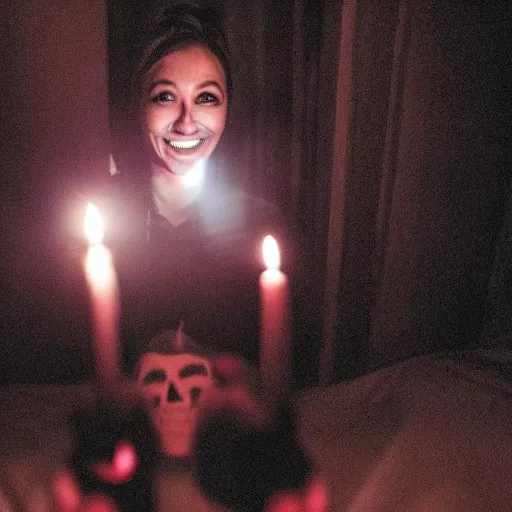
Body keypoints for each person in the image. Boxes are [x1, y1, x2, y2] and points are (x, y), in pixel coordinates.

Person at [105, 2, 292, 375]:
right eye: (165, 96)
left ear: (227, 108)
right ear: (138, 106)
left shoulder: (262, 224)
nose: (187, 122)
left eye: (206, 97)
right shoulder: (102, 221)